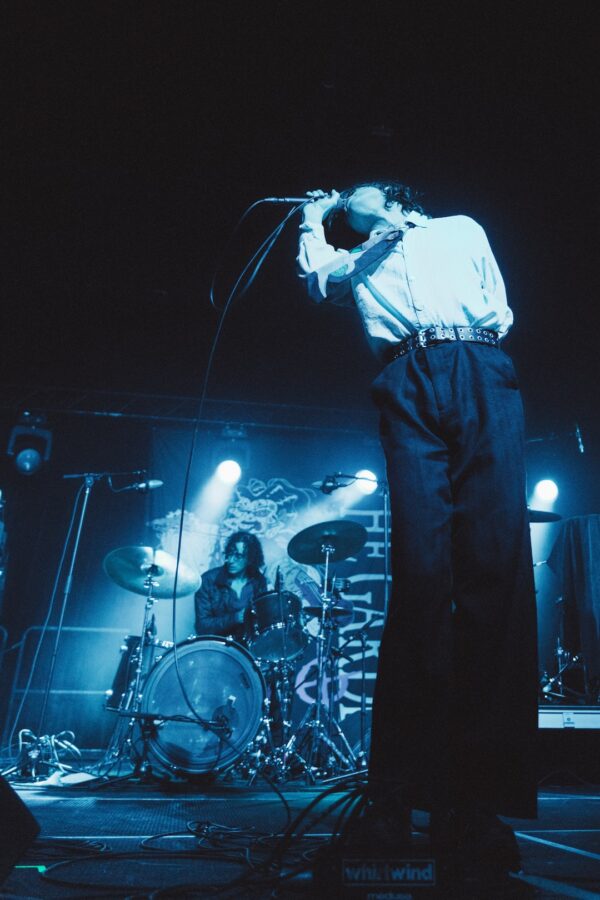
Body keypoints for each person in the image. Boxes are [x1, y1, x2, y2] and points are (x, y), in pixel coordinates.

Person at [297, 183, 538, 874]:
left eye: (356, 192)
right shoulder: (357, 260)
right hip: (406, 378)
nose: (348, 200)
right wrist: (315, 218)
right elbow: (318, 279)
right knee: (422, 579)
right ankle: (395, 800)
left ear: (396, 195)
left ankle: (476, 803)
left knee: (494, 571)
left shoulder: (460, 226)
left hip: (481, 367)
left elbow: (495, 300)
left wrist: (475, 359)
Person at [194, 530, 267, 642]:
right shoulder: (208, 580)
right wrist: (235, 618)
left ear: (250, 559)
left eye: (238, 556)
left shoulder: (258, 581)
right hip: (218, 645)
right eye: (229, 554)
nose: (230, 560)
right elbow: (202, 626)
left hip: (249, 645)